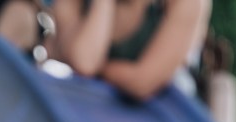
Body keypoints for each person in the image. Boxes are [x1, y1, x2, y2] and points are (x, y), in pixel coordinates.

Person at [49, 0, 210, 99]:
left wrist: (99, 70)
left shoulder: (186, 3)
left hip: (158, 118)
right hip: (81, 104)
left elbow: (141, 83)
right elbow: (85, 62)